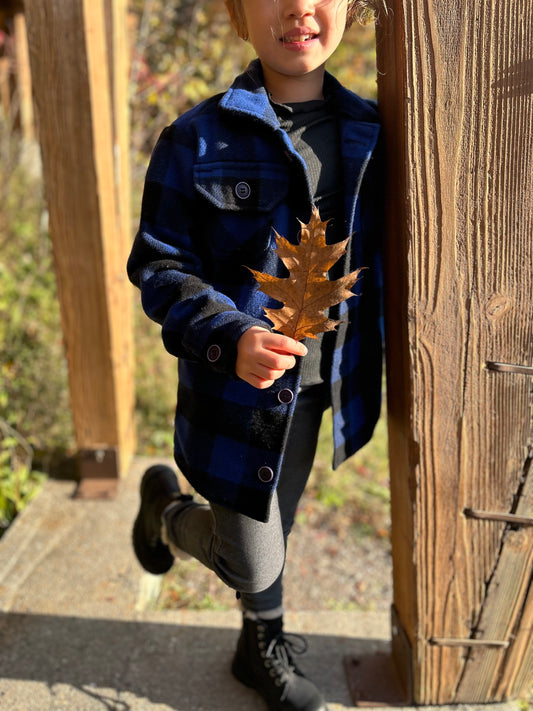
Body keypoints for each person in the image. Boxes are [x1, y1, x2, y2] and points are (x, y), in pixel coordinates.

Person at [127, 0, 385, 708]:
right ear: (238, 12)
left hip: (318, 386)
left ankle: (256, 645)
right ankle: (168, 513)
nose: (299, 5)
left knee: (282, 522)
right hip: (234, 398)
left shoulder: (373, 131)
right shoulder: (195, 139)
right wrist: (228, 332)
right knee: (253, 556)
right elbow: (159, 266)